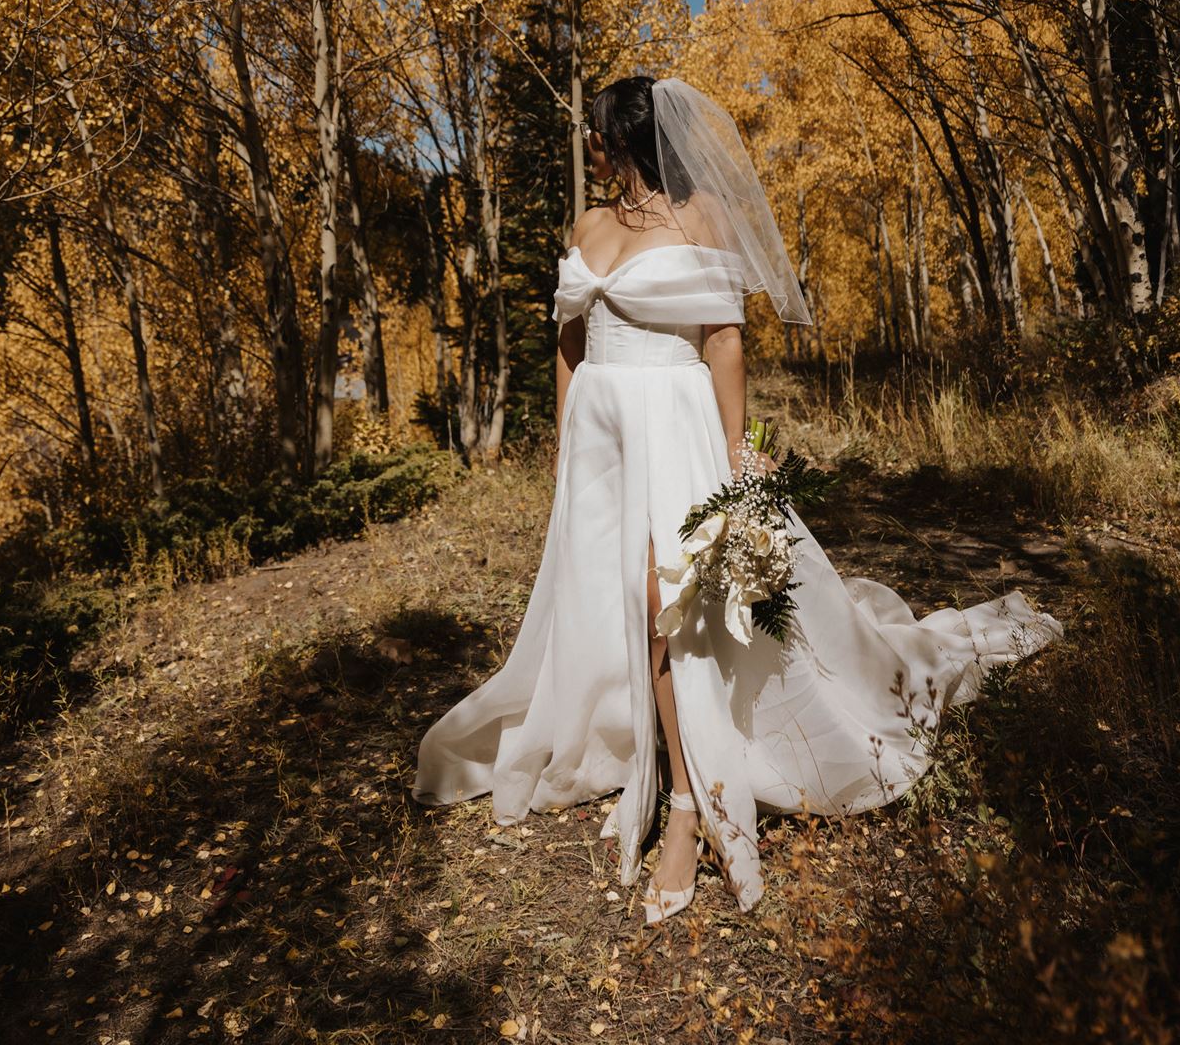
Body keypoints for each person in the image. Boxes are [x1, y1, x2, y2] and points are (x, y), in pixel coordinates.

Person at [412, 74, 1061, 922]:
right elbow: (569, 341)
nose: (589, 148)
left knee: (667, 607)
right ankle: (639, 751)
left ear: (624, 141)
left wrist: (735, 458)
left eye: (596, 136)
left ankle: (687, 806)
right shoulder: (588, 223)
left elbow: (723, 342)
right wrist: (568, 439)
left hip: (676, 429)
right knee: (613, 601)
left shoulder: (701, 215)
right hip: (601, 443)